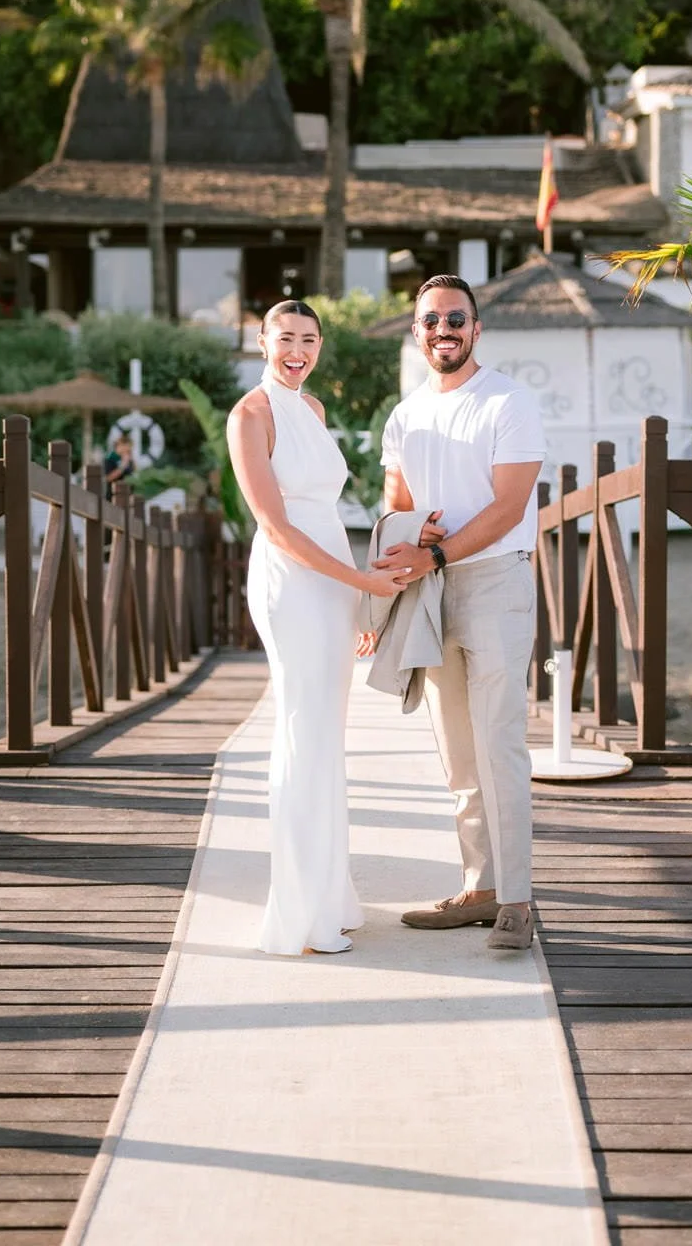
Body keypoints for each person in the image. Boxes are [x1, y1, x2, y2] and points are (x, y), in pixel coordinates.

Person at [227, 300, 406, 956]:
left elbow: (330, 516)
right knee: (302, 731)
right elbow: (275, 525)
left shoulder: (313, 410)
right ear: (262, 341)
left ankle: (330, 896)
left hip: (331, 582)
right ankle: (298, 915)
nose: (296, 350)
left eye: (307, 339)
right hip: (290, 581)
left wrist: (356, 599)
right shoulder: (251, 414)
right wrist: (362, 585)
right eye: (284, 339)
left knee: (328, 735)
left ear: (319, 345)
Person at [376, 274, 545, 952]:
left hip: (495, 583)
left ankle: (516, 901)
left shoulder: (509, 400)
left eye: (455, 319)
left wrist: (435, 558)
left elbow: (508, 506)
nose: (442, 330)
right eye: (430, 321)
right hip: (429, 592)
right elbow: (397, 504)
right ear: (416, 333)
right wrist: (389, 583)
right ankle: (477, 888)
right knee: (456, 752)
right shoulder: (403, 415)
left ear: (476, 329)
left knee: (498, 742)